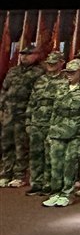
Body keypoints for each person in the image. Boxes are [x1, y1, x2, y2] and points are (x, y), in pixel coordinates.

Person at [42, 60, 80, 207]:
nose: (69, 75)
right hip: (57, 130)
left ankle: (67, 193)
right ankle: (55, 193)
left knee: (70, 164)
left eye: (72, 72)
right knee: (55, 163)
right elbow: (54, 110)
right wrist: (50, 131)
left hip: (75, 131)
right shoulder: (60, 87)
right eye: (67, 72)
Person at [0, 46, 43, 188]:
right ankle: (6, 173)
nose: (24, 56)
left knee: (21, 145)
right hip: (9, 112)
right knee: (6, 143)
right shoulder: (13, 71)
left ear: (36, 55)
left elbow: (37, 95)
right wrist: (1, 108)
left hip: (24, 113)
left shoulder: (39, 72)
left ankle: (19, 175)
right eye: (22, 54)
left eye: (28, 54)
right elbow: (4, 90)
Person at [25, 52, 66, 196]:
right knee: (35, 154)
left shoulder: (65, 81)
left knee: (51, 155)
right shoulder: (40, 80)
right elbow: (32, 101)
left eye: (54, 63)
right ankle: (36, 183)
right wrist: (28, 121)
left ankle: (49, 184)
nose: (50, 66)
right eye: (49, 63)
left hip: (53, 123)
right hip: (37, 122)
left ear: (61, 63)